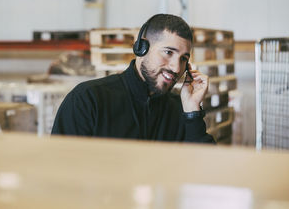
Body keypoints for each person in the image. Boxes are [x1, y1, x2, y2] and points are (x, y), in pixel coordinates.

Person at [52, 14, 215, 143]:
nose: (176, 68)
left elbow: (204, 169)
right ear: (141, 48)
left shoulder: (181, 111)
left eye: (183, 58)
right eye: (168, 52)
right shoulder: (88, 99)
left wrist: (193, 111)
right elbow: (59, 167)